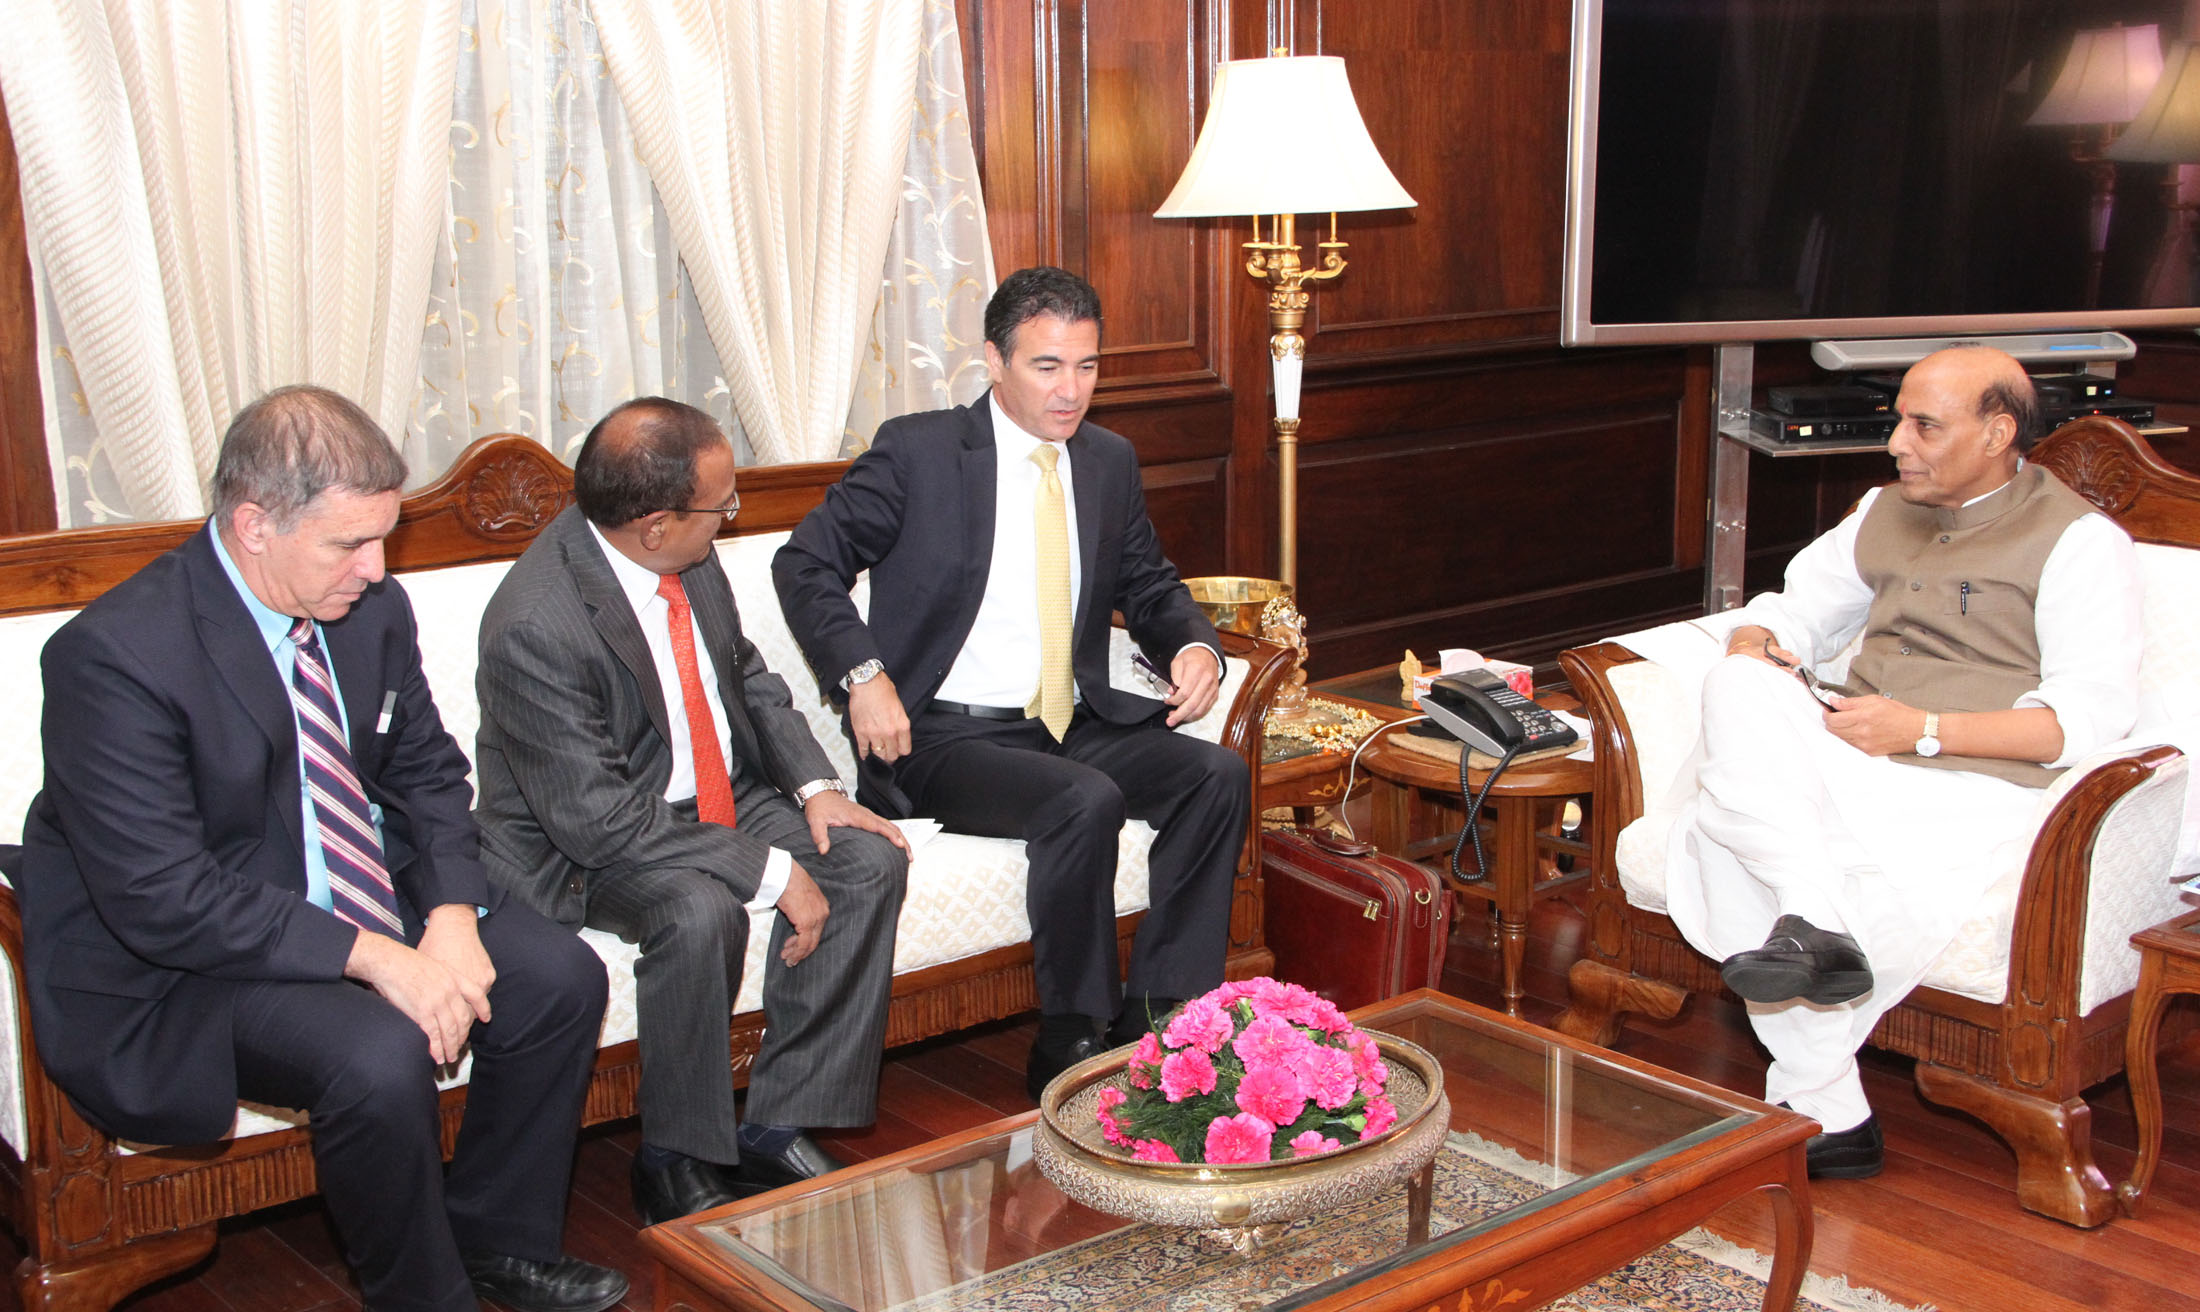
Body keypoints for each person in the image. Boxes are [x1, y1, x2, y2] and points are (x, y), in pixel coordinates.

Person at [13, 387, 624, 1312]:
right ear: (254, 524)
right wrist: (382, 960)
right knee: (374, 1054)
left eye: (384, 538)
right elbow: (161, 893)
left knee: (557, 978)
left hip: (354, 886)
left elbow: (425, 771)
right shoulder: (116, 657)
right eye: (350, 544)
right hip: (195, 956)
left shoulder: (368, 612)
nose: (377, 570)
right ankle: (423, 1296)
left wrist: (454, 921)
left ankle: (497, 1240)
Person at [1666, 346, 2143, 1179]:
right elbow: (1793, 609)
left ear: (1998, 431)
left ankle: (1826, 1100)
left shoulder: (2079, 543)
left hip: (1970, 781)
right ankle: (1812, 923)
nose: (1897, 443)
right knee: (1738, 686)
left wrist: (1921, 729)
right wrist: (1758, 642)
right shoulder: (1884, 511)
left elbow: (2081, 724)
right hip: (1854, 744)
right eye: (1898, 420)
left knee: (1725, 831)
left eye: (1924, 425)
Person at [773, 265, 1249, 1101]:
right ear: (993, 360)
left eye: (1088, 367)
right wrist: (863, 675)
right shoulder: (920, 452)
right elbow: (805, 562)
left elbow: (1149, 585)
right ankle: (1071, 1036)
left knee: (1215, 776)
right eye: (1047, 366)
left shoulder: (1106, 460)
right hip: (942, 736)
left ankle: (1167, 1015)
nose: (1072, 391)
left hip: (1069, 721)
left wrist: (1195, 647)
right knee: (1084, 799)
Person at [473, 398, 909, 1226]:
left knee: (864, 861)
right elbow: (598, 822)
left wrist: (817, 789)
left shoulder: (685, 554)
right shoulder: (535, 624)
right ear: (654, 523)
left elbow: (742, 676)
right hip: (582, 838)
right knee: (699, 908)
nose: (732, 517)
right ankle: (673, 1154)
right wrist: (774, 872)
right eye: (722, 505)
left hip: (713, 794)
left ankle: (777, 1124)